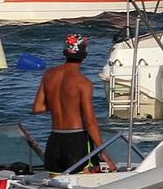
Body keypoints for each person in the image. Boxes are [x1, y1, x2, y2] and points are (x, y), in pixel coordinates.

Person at [32, 34, 113, 173]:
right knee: (86, 187)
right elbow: (90, 121)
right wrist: (103, 152)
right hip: (77, 142)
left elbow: (38, 108)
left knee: (57, 188)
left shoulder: (49, 75)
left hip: (55, 140)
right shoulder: (83, 83)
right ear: (84, 54)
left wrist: (63, 103)